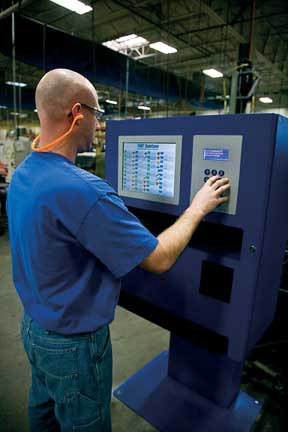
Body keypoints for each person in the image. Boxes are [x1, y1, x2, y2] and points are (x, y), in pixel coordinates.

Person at [6, 69, 230, 432]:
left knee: (44, 415)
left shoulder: (24, 174)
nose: (99, 124)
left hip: (35, 330)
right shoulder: (84, 191)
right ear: (76, 113)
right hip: (74, 347)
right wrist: (198, 207)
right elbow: (159, 258)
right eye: (97, 114)